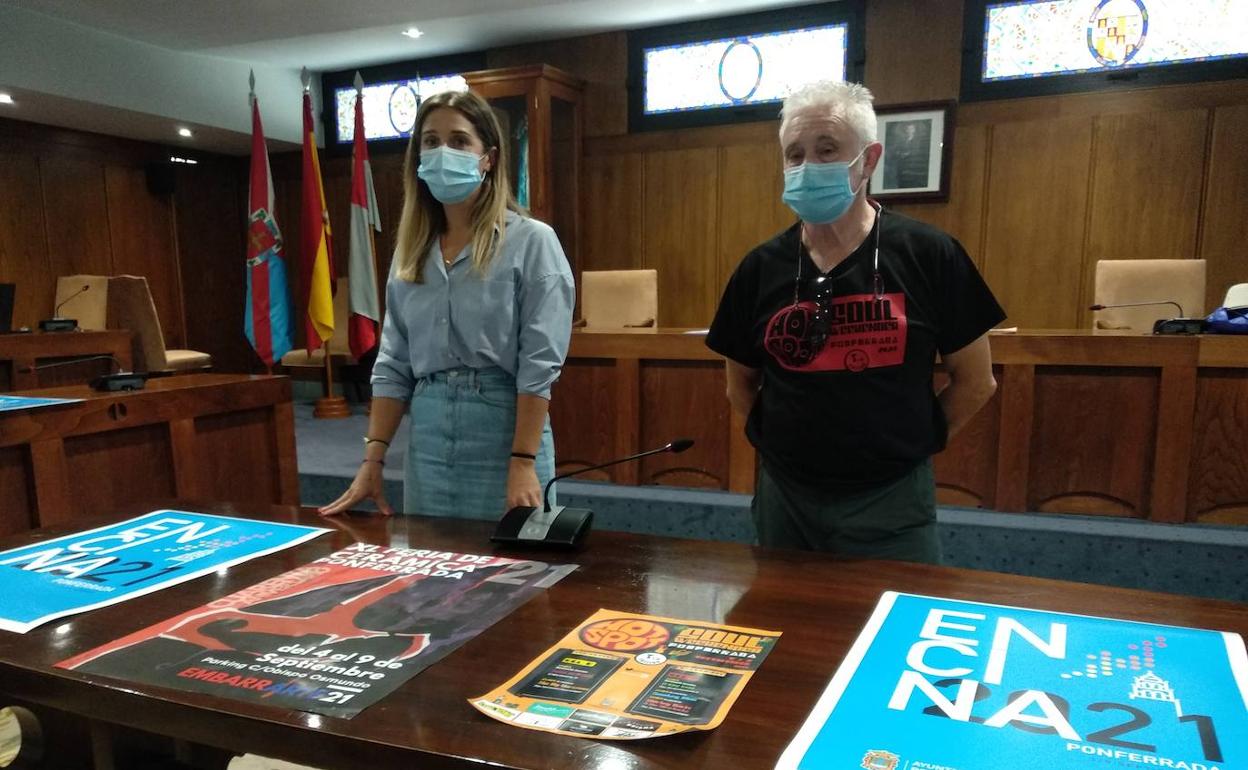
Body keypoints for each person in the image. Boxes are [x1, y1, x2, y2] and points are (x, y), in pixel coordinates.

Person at [706, 80, 1004, 564]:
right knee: (785, 610)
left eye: (827, 150)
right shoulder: (759, 268)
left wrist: (909, 444)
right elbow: (739, 385)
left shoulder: (930, 255)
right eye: (795, 154)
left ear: (869, 160)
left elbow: (976, 382)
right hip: (786, 497)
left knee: (895, 611)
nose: (808, 166)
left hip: (891, 498)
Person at [320, 89, 574, 519]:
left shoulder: (532, 241)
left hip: (505, 431)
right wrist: (372, 460)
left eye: (459, 141)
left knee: (516, 559)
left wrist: (522, 462)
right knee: (432, 560)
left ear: (488, 158)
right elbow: (394, 362)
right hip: (429, 436)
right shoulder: (411, 251)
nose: (443, 152)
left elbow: (539, 365)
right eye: (431, 142)